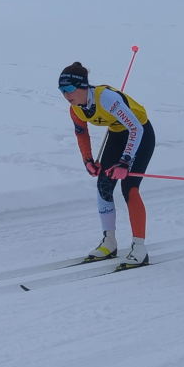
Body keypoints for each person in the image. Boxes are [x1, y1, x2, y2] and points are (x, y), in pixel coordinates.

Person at [59, 61, 155, 268]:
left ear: (83, 86)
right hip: (116, 134)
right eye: (61, 90)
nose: (66, 95)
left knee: (129, 188)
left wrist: (125, 161)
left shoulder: (107, 99)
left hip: (140, 134)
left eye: (68, 89)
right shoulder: (76, 109)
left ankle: (139, 247)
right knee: (104, 184)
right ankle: (109, 242)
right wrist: (88, 160)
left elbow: (136, 129)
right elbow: (81, 134)